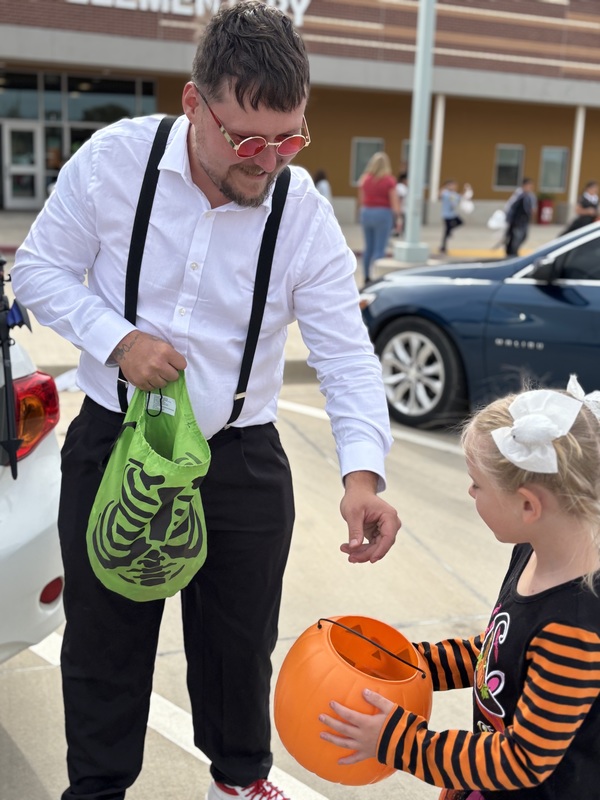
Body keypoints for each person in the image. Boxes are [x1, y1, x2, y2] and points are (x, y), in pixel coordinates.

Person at [10, 4, 401, 800]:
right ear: (195, 105)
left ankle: (238, 779)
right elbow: (40, 269)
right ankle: (98, 788)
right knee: (105, 642)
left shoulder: (303, 214)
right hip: (115, 441)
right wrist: (117, 338)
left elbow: (343, 351)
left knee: (235, 645)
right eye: (249, 142)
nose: (269, 162)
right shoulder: (115, 161)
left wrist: (364, 472)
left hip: (240, 457)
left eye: (290, 139)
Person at [320, 375, 600, 799]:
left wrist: (399, 742)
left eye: (478, 484)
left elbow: (522, 760)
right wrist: (414, 665)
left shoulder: (573, 628)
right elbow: (498, 654)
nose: (469, 491)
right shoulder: (533, 552)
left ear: (528, 505)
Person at [357, 151, 401, 285]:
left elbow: (361, 199)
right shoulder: (389, 180)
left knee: (368, 247)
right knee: (379, 248)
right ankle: (376, 277)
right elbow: (394, 201)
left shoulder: (365, 179)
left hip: (367, 212)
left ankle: (366, 276)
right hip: (383, 213)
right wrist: (398, 218)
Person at [505, 177, 537, 256]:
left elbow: (533, 208)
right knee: (516, 237)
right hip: (517, 221)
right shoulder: (519, 195)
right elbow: (510, 206)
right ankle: (512, 253)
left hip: (525, 220)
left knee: (524, 236)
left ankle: (513, 251)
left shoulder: (531, 196)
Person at [439, 178, 471, 254]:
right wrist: (444, 188)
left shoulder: (453, 194)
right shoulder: (446, 193)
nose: (454, 187)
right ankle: (443, 247)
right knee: (446, 232)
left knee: (460, 222)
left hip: (453, 214)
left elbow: (460, 197)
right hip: (446, 215)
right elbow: (441, 195)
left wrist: (466, 191)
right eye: (453, 185)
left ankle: (450, 231)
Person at [394, 171, 408, 236]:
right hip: (402, 208)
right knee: (400, 220)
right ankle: (398, 232)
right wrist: (398, 208)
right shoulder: (401, 187)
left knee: (399, 220)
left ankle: (398, 231)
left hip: (400, 207)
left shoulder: (398, 186)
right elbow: (400, 198)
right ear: (404, 180)